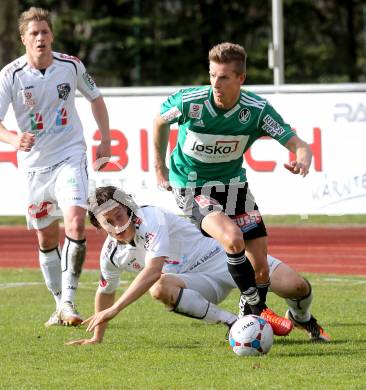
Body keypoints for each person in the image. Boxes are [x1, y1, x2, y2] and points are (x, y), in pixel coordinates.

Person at [153, 42, 312, 335]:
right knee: (232, 238)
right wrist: (159, 168)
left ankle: (251, 315)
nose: (216, 83)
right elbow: (160, 122)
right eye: (212, 75)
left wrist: (302, 159)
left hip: (234, 186)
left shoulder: (256, 111)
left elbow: (297, 143)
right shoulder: (191, 102)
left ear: (241, 78)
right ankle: (255, 310)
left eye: (224, 77)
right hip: (192, 185)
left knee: (260, 266)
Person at [66, 186, 329, 345]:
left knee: (297, 286)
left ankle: (302, 318)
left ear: (129, 209)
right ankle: (234, 323)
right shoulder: (111, 254)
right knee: (159, 289)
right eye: (108, 222)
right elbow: (105, 291)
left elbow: (152, 269)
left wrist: (114, 310)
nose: (117, 225)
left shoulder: (150, 217)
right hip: (196, 284)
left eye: (119, 216)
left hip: (221, 258)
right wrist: (97, 335)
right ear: (98, 226)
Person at [0, 7, 111, 327]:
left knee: (76, 224)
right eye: (33, 33)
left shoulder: (71, 65)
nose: (40, 38)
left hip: (69, 157)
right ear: (23, 39)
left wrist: (105, 138)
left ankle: (70, 302)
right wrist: (13, 139)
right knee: (46, 239)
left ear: (52, 36)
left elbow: (96, 98)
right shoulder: (11, 75)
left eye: (45, 32)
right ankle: (58, 304)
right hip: (35, 167)